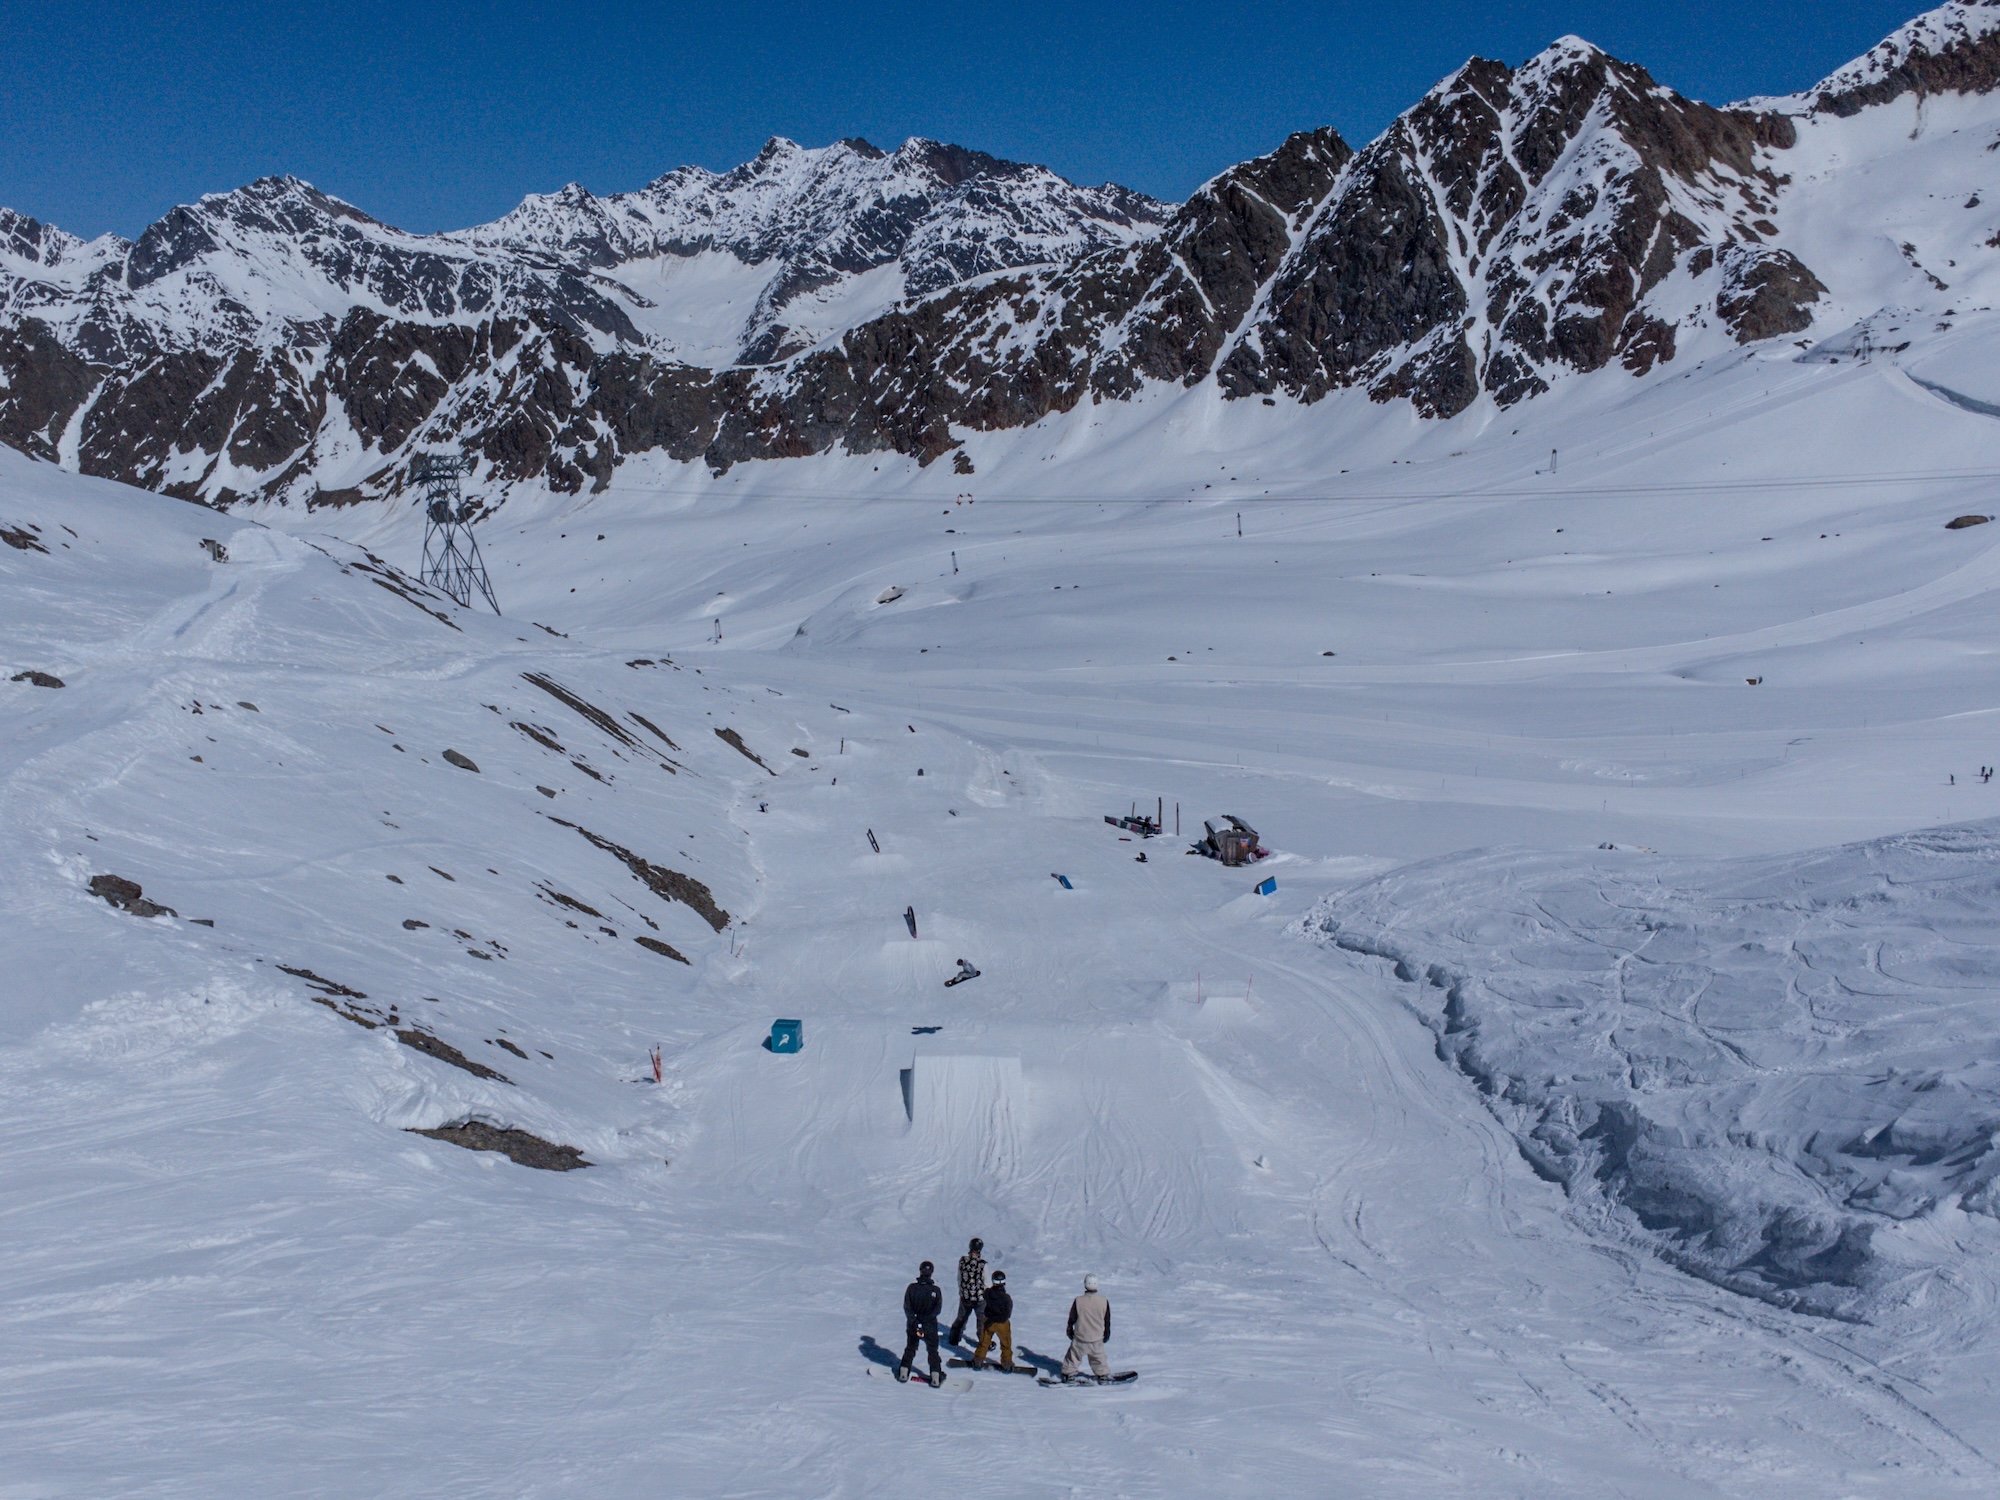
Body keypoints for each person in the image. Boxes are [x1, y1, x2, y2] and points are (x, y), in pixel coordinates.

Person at [898, 1261, 944, 1385]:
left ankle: (903, 1371)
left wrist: (915, 1320)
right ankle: (935, 1375)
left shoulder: (912, 1288)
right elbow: (937, 1310)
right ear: (931, 1272)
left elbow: (907, 1307)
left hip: (913, 1324)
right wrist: (925, 1320)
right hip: (929, 1325)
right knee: (932, 1350)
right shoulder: (935, 1290)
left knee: (910, 1348)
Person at [1061, 1274, 1112, 1382]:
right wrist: (1107, 1333)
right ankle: (1102, 1375)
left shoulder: (1078, 1300)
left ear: (1085, 1284)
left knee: (1073, 1357)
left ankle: (1068, 1374)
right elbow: (1106, 1320)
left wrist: (1070, 1329)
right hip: (1097, 1338)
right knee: (1099, 1359)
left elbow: (1072, 1317)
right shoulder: (1103, 1301)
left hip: (1080, 1337)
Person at [970, 1271, 1014, 1372]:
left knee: (984, 1342)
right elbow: (1007, 1314)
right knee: (1005, 1344)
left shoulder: (988, 1293)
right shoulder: (1006, 1298)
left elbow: (985, 1297)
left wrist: (991, 1318)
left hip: (988, 1321)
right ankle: (1007, 1363)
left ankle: (978, 1360)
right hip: (1002, 1323)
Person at [948, 1236, 987, 1345]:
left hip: (965, 1296)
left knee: (961, 1318)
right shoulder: (983, 1264)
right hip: (979, 1297)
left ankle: (954, 1338)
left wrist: (962, 1290)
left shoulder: (963, 1261)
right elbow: (987, 1282)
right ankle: (984, 1341)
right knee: (982, 1321)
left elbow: (959, 1277)